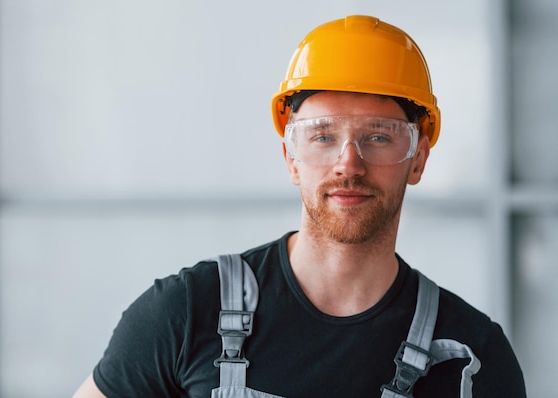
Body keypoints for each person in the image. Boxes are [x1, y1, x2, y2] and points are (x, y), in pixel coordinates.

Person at [74, 15, 526, 398]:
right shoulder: (184, 313)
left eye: (379, 137)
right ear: (291, 157)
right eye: (323, 137)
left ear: (419, 158)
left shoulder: (474, 356)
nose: (349, 164)